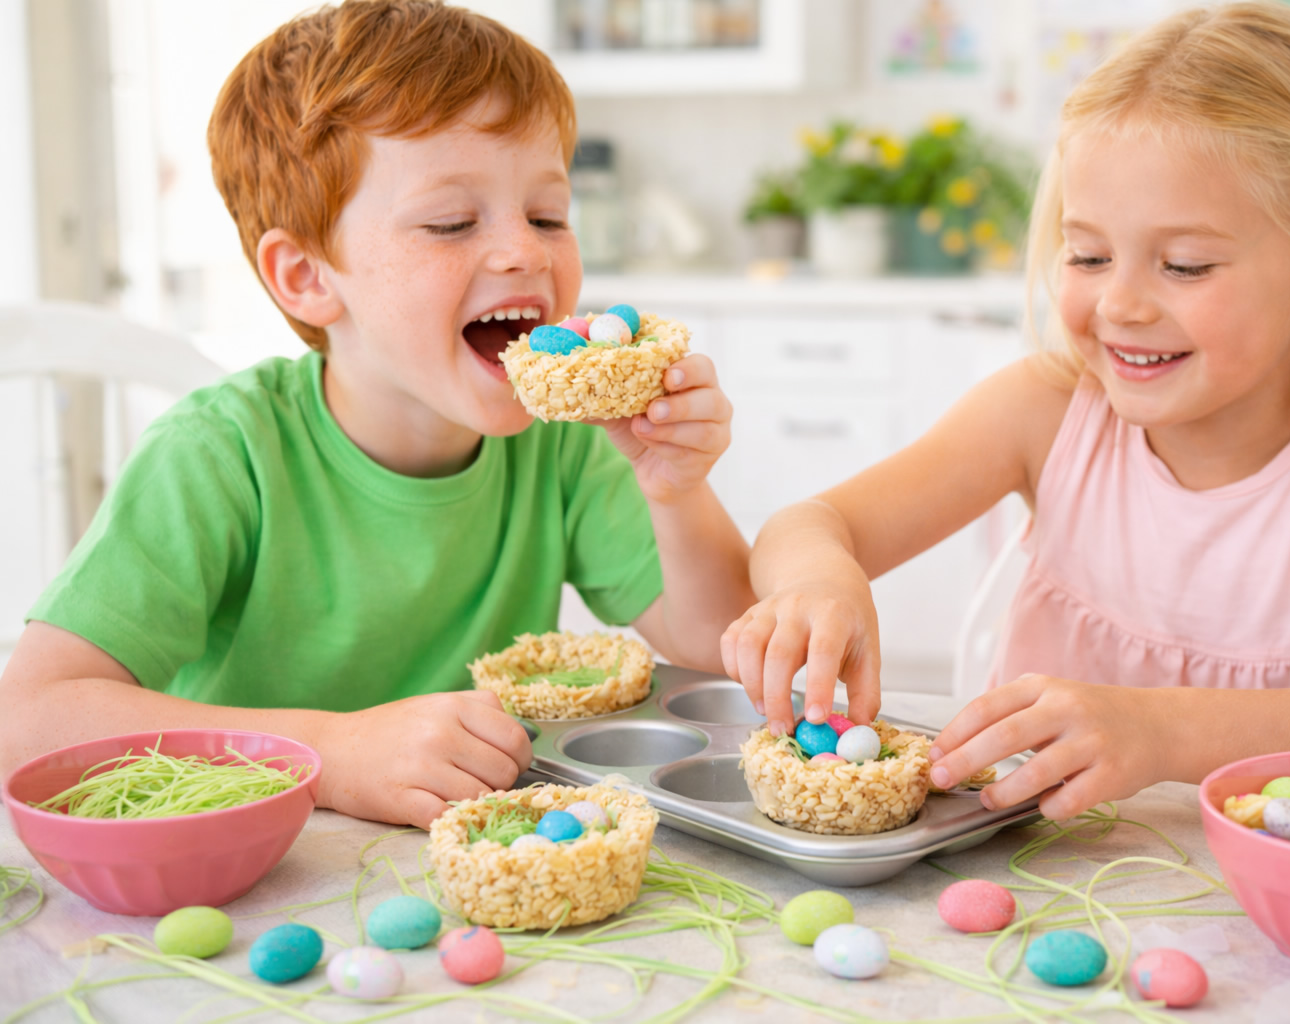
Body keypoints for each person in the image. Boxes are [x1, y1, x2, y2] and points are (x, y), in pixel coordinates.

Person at [720, 2, 1290, 821]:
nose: (1121, 303)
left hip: (1280, 916)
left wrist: (1161, 729)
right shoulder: (1048, 412)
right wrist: (820, 581)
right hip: (1040, 885)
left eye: (1186, 265)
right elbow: (806, 523)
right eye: (1088, 255)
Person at [0, 0, 753, 829]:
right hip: (264, 866)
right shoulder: (221, 455)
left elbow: (719, 647)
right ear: (307, 277)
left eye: (547, 215)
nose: (528, 251)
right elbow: (27, 720)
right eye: (451, 222)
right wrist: (331, 751)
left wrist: (676, 488)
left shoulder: (563, 445)